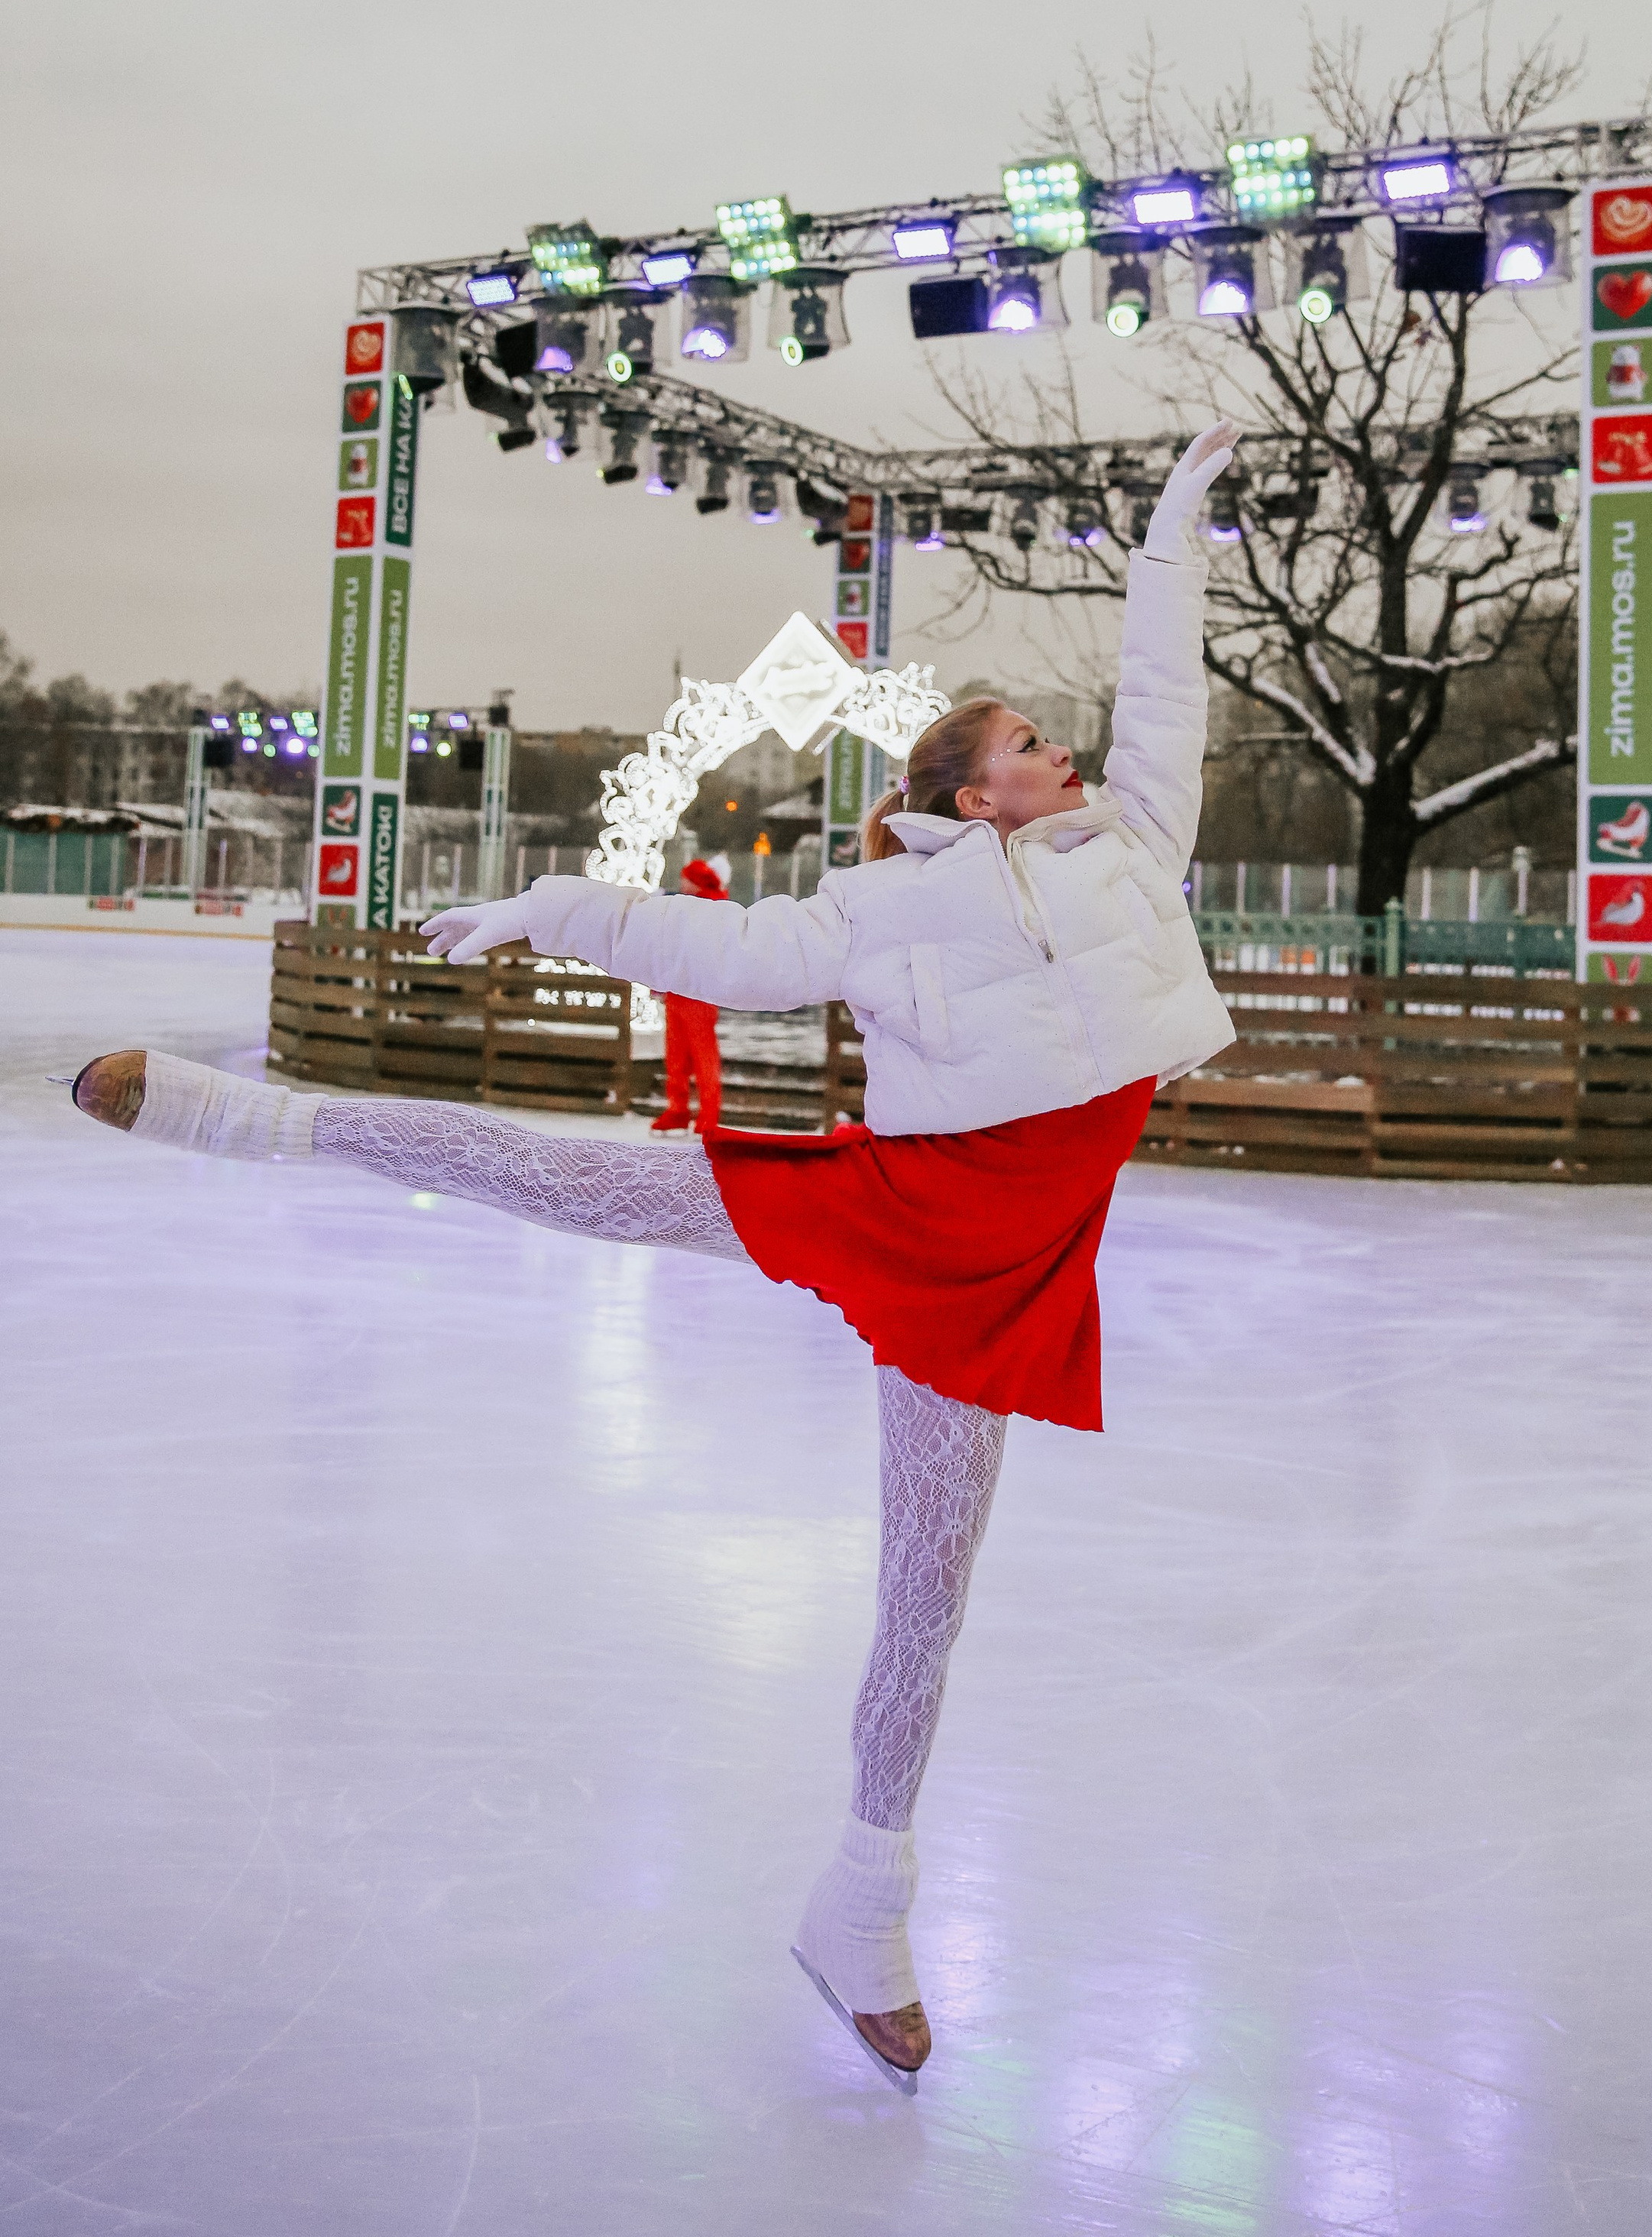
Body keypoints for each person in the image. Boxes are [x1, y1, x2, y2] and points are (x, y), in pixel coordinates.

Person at [67, 419, 1239, 2091]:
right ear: (972, 791)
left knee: (926, 1605)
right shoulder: (880, 907)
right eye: (1034, 741)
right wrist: (559, 910)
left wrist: (1171, 536)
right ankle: (253, 1121)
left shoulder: (1136, 847)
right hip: (903, 1207)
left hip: (1017, 1263)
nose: (1069, 750)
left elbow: (1170, 695)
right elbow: (727, 945)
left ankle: (864, 1905)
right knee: (585, 1188)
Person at [653, 856, 730, 1135]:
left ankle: (705, 1115)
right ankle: (680, 1110)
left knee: (700, 1055)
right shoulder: (689, 906)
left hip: (698, 991)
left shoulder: (711, 909)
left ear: (696, 882)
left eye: (687, 878)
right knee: (678, 1054)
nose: (682, 883)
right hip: (680, 989)